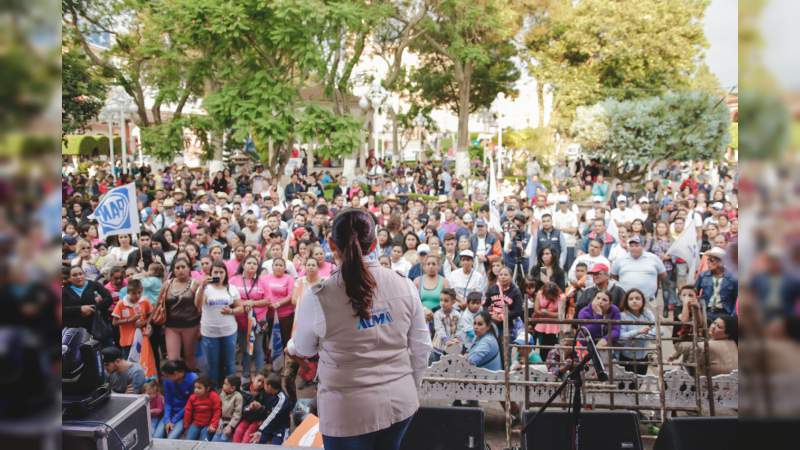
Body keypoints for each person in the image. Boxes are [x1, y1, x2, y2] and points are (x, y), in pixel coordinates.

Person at [287, 208, 432, 449]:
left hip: (346, 411)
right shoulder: (404, 284)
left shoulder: (318, 296)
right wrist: (409, 388)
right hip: (399, 402)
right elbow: (421, 348)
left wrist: (291, 345)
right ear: (375, 243)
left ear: (331, 244)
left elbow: (303, 347)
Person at [195, 261, 244, 386]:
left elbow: (241, 308)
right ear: (210, 274)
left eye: (221, 272)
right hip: (210, 333)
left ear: (226, 274)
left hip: (229, 331)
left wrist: (231, 311)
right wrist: (202, 287)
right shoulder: (206, 289)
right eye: (215, 272)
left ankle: (232, 389)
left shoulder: (231, 288)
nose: (218, 274)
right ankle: (214, 389)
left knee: (229, 363)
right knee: (212, 364)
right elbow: (198, 306)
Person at [230, 255, 269, 380]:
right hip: (240, 320)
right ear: (243, 265)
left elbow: (268, 300)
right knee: (244, 348)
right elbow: (229, 298)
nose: (252, 265)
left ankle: (260, 375)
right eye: (249, 263)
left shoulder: (262, 281)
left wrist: (253, 303)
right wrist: (244, 304)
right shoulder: (234, 280)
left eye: (255, 263)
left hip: (258, 320)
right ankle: (246, 375)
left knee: (257, 348)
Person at [161, 257, 201, 371]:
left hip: (191, 325)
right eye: (177, 268)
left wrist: (200, 327)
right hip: (171, 326)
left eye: (183, 267)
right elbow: (159, 304)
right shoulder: (167, 284)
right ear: (173, 270)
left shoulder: (196, 284)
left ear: (189, 269)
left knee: (189, 357)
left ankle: (191, 383)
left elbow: (200, 307)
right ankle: (177, 384)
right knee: (173, 359)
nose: (180, 270)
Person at [670, 315, 738, 377]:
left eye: (719, 327)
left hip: (710, 387)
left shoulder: (705, 346)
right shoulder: (734, 343)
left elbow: (678, 345)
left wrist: (679, 318)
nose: (713, 327)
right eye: (714, 323)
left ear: (728, 334)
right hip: (732, 386)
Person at [62, 265, 113, 344]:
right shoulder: (65, 291)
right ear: (69, 278)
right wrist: (80, 309)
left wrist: (94, 308)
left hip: (97, 327)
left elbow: (108, 299)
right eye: (74, 275)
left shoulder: (94, 285)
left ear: (84, 274)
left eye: (80, 274)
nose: (79, 277)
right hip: (76, 329)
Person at [610, 235, 666, 305]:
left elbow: (662, 275)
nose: (634, 248)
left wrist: (653, 282)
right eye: (631, 246)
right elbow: (613, 276)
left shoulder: (653, 258)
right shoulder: (621, 259)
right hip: (626, 300)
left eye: (637, 245)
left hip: (648, 300)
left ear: (642, 246)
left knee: (651, 316)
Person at [156, 359, 199, 439]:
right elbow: (168, 402)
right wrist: (167, 420)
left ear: (175, 374)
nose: (165, 378)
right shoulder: (167, 381)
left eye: (167, 376)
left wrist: (174, 420)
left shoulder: (193, 379)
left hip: (184, 415)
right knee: (156, 436)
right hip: (171, 413)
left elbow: (189, 405)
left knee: (171, 438)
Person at [618, 289, 657, 375]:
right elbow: (620, 336)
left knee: (639, 384)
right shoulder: (622, 316)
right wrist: (637, 332)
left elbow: (658, 331)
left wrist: (636, 336)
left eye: (637, 298)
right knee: (626, 385)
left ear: (642, 300)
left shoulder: (647, 314)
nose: (634, 301)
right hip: (627, 358)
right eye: (631, 299)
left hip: (643, 357)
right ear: (626, 301)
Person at [694, 247, 738, 322]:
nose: (708, 263)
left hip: (725, 314)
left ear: (721, 262)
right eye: (708, 260)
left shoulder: (733, 278)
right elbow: (694, 292)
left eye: (711, 260)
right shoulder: (703, 276)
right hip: (705, 312)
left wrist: (732, 316)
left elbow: (737, 298)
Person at [111, 279, 152, 358]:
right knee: (130, 365)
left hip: (143, 339)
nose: (137, 296)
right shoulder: (121, 304)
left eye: (139, 293)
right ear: (128, 292)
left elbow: (151, 315)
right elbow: (114, 322)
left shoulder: (145, 301)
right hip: (127, 341)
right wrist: (130, 320)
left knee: (144, 364)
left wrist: (144, 322)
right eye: (133, 293)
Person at [250, 374, 294, 444]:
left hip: (280, 429)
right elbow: (267, 411)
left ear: (269, 386)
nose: (262, 386)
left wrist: (260, 430)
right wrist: (261, 408)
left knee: (277, 446)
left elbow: (273, 416)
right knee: (255, 442)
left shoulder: (282, 399)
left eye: (264, 384)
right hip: (268, 426)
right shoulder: (267, 394)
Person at [183, 375, 222, 441]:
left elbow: (217, 411)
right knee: (188, 441)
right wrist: (186, 426)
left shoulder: (213, 396)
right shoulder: (192, 397)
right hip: (196, 424)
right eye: (195, 387)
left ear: (207, 388)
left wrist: (213, 425)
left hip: (208, 425)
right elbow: (188, 411)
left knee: (204, 442)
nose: (196, 390)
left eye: (199, 388)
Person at [431, 288, 464, 363]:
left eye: (446, 301)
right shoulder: (437, 314)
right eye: (441, 300)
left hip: (452, 346)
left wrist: (457, 338)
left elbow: (460, 328)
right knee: (437, 366)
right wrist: (446, 340)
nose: (442, 303)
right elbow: (439, 328)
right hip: (439, 346)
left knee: (450, 367)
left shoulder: (457, 315)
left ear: (453, 302)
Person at [234, 372, 268, 443]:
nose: (260, 384)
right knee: (238, 431)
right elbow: (240, 407)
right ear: (253, 378)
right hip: (245, 418)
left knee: (248, 434)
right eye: (259, 380)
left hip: (257, 420)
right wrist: (249, 407)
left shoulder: (265, 393)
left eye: (263, 383)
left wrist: (260, 407)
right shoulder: (243, 390)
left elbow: (267, 409)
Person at [533, 282, 563, 360]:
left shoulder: (561, 297)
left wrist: (547, 313)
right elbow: (536, 310)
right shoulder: (540, 294)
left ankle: (552, 366)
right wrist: (544, 313)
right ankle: (543, 366)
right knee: (542, 348)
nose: (548, 297)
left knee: (554, 348)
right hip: (542, 325)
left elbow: (561, 314)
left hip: (555, 326)